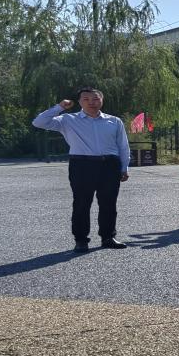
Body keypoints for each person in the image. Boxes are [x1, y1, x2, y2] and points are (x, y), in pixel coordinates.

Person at [32, 87, 130, 253]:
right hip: (82, 164)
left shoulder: (114, 121)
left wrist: (124, 167)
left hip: (109, 165)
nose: (91, 102)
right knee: (81, 204)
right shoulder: (68, 120)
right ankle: (81, 240)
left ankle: (108, 237)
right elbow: (38, 122)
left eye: (96, 99)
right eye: (86, 99)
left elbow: (123, 146)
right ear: (79, 102)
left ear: (102, 100)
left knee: (108, 203)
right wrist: (60, 107)